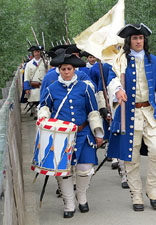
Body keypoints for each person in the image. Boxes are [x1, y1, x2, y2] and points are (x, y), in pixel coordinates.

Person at [106, 23, 156, 211]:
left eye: (141, 38)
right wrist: (117, 90)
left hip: (149, 113)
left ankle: (151, 190)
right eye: (135, 38)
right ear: (129, 41)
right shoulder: (120, 60)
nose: (139, 41)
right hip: (128, 114)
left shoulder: (155, 61)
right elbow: (111, 80)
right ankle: (136, 195)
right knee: (131, 157)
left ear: (145, 40)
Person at [38, 52, 104, 218]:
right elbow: (44, 107)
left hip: (83, 134)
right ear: (58, 70)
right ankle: (69, 203)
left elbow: (93, 111)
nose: (66, 72)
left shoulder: (85, 88)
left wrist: (98, 132)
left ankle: (81, 196)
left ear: (74, 69)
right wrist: (43, 119)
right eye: (63, 69)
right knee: (64, 172)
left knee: (84, 169)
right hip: (61, 137)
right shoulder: (51, 89)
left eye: (69, 68)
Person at [24, 45, 48, 119]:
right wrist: (26, 88)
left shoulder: (46, 62)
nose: (37, 53)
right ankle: (37, 114)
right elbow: (26, 77)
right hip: (34, 86)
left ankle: (43, 114)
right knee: (35, 102)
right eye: (35, 52)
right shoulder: (29, 64)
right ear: (33, 53)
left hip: (44, 85)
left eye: (38, 51)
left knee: (44, 101)